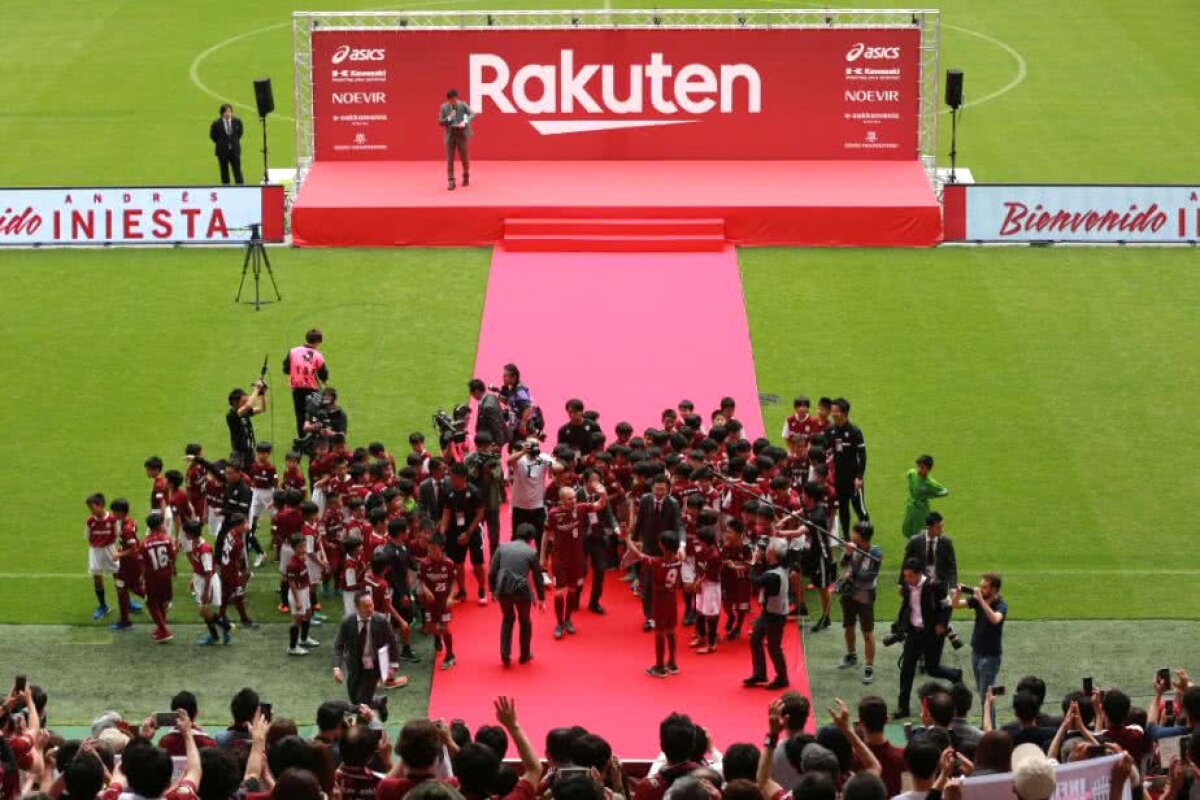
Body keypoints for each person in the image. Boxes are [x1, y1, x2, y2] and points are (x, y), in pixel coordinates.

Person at [894, 558, 961, 719]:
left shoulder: (935, 586)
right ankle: (903, 708)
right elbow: (906, 605)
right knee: (906, 670)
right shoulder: (907, 586)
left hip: (932, 633)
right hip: (914, 633)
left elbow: (947, 605)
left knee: (932, 668)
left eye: (910, 576)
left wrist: (942, 624)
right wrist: (900, 624)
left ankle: (955, 675)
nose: (907, 580)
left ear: (919, 574)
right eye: (905, 576)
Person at [620, 529, 683, 678]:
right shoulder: (679, 560)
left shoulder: (657, 562)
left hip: (660, 602)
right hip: (672, 601)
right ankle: (672, 663)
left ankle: (660, 667)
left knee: (659, 633)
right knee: (671, 631)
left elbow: (637, 554)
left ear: (663, 546)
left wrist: (627, 538)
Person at [901, 512, 962, 652]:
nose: (941, 530)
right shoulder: (915, 541)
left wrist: (952, 586)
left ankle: (944, 631)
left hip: (939, 585)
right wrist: (901, 583)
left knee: (942, 608)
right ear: (929, 527)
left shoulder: (946, 542)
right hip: (920, 586)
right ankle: (947, 633)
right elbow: (906, 562)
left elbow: (951, 564)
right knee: (923, 612)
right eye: (938, 527)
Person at [951, 572, 1007, 723]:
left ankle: (989, 727)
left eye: (984, 587)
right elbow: (955, 605)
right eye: (980, 586)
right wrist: (957, 593)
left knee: (985, 696)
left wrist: (981, 600)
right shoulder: (978, 599)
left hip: (991, 656)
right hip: (977, 652)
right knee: (983, 689)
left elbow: (995, 619)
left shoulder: (1001, 605)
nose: (980, 589)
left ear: (994, 590)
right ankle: (999, 689)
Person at [488, 524, 546, 666]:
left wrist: (493, 590)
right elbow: (538, 577)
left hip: (504, 590)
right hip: (522, 590)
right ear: (531, 539)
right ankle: (524, 654)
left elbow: (491, 572)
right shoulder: (531, 553)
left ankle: (505, 654)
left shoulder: (502, 548)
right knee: (525, 621)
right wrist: (541, 598)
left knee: (507, 619)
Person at [630, 475, 682, 631]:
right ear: (652, 488)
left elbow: (678, 526)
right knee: (647, 585)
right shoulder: (645, 500)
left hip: (666, 550)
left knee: (665, 586)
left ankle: (664, 614)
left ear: (668, 490)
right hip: (648, 547)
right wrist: (633, 541)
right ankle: (649, 617)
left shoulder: (673, 504)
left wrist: (680, 546)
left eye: (663, 489)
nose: (659, 492)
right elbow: (639, 522)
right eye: (657, 488)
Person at [333, 591, 402, 708]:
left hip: (373, 666)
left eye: (371, 605)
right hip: (354, 664)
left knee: (362, 703)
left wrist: (393, 665)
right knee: (354, 699)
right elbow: (339, 645)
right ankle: (377, 702)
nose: (370, 609)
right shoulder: (348, 622)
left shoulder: (381, 621)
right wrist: (337, 667)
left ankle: (364, 723)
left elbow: (392, 642)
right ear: (357, 607)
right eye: (366, 606)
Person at [839, 521, 882, 685]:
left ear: (861, 536)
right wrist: (848, 554)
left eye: (854, 532)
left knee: (867, 632)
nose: (851, 534)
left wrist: (851, 573)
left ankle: (869, 666)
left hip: (865, 596)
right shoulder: (851, 547)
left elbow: (869, 576)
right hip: (849, 594)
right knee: (848, 625)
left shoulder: (876, 553)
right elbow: (842, 564)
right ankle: (851, 654)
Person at [743, 538, 791, 690]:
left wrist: (753, 562)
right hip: (769, 613)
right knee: (755, 638)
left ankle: (783, 678)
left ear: (773, 553)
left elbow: (753, 580)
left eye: (768, 549)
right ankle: (760, 674)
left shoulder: (772, 576)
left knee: (774, 647)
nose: (766, 551)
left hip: (775, 616)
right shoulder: (780, 567)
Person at [439, 462, 487, 604]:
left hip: (472, 531)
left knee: (477, 565)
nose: (452, 480)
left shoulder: (474, 492)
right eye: (451, 477)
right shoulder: (449, 492)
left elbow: (480, 514)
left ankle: (482, 590)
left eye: (454, 478)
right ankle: (461, 591)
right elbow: (446, 514)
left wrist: (468, 533)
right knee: (457, 564)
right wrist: (442, 533)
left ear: (463, 478)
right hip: (454, 532)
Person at [183, 519, 230, 646]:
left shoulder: (204, 550)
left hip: (207, 580)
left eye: (186, 532)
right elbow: (198, 566)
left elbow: (209, 573)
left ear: (192, 534)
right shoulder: (193, 543)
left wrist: (205, 591)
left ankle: (225, 626)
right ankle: (216, 635)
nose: (184, 534)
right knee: (204, 611)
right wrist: (194, 579)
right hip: (200, 578)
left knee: (203, 611)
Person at [507, 439, 559, 553]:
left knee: (540, 537)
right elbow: (508, 461)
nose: (533, 448)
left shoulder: (543, 459)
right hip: (519, 506)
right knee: (517, 537)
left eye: (535, 445)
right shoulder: (519, 459)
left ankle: (540, 564)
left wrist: (551, 462)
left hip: (537, 506)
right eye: (531, 445)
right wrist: (523, 452)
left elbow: (557, 467)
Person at [826, 398, 868, 537]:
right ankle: (846, 537)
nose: (832, 413)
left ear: (843, 413)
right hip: (838, 479)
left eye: (835, 411)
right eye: (832, 410)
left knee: (860, 509)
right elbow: (827, 450)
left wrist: (859, 477)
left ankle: (866, 537)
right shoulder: (830, 430)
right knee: (843, 508)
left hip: (853, 479)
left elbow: (862, 455)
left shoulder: (855, 431)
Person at [418, 534, 458, 670]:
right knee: (431, 628)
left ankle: (450, 655)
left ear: (441, 548)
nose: (431, 553)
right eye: (429, 550)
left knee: (445, 628)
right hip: (430, 602)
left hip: (443, 602)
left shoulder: (449, 563)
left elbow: (453, 582)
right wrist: (426, 590)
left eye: (434, 550)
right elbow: (421, 580)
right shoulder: (424, 563)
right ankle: (437, 638)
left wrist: (451, 597)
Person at [464, 433, 505, 556]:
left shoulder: (495, 458)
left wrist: (489, 470)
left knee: (494, 535)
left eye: (488, 447)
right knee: (475, 533)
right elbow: (469, 477)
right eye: (484, 447)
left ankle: (494, 560)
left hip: (492, 502)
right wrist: (479, 467)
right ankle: (477, 558)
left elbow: (498, 476)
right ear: (477, 446)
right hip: (475, 503)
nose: (487, 449)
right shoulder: (470, 459)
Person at [283, 329, 329, 437]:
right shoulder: (318, 355)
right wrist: (323, 380)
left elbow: (285, 369)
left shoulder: (293, 351)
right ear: (317, 341)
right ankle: (314, 437)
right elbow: (323, 374)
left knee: (300, 415)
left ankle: (302, 438)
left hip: (297, 389)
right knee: (314, 413)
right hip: (311, 389)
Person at [139, 512, 176, 642]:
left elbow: (143, 563)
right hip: (166, 575)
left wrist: (142, 577)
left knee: (151, 603)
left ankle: (164, 630)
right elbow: (172, 557)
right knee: (163, 601)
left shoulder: (144, 543)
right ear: (160, 525)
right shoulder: (167, 539)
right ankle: (161, 628)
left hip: (152, 577)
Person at [85, 492, 118, 621]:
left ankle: (126, 602)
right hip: (95, 551)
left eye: (92, 507)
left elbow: (117, 535)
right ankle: (103, 606)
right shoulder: (89, 521)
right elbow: (88, 537)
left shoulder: (112, 519)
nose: (91, 511)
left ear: (101, 505)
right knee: (97, 579)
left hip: (110, 549)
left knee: (118, 575)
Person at [902, 456, 949, 540]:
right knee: (907, 529)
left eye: (922, 467)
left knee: (920, 532)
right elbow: (909, 478)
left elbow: (945, 491)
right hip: (910, 507)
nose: (919, 469)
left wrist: (930, 495)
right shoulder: (912, 473)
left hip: (921, 510)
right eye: (918, 466)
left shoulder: (930, 483)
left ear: (928, 469)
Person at [227, 382, 267, 470]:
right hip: (240, 455)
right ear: (234, 402)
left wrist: (262, 394)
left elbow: (263, 409)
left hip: (250, 451)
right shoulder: (232, 415)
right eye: (243, 401)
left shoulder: (244, 411)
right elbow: (249, 405)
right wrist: (257, 389)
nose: (245, 403)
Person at [439, 88, 474, 190]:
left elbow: (472, 113)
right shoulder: (444, 107)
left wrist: (465, 121)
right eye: (451, 101)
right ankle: (451, 181)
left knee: (464, 157)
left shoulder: (462, 105)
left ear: (457, 98)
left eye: (455, 100)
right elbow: (440, 121)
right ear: (448, 100)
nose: (453, 102)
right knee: (450, 159)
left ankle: (466, 174)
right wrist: (449, 117)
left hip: (461, 134)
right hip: (450, 135)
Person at [210, 103, 244, 185]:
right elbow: (213, 136)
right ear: (222, 113)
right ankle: (226, 188)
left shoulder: (237, 121)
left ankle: (241, 187)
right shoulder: (216, 123)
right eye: (226, 112)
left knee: (237, 170)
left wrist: (233, 142)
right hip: (222, 152)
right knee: (224, 171)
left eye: (229, 111)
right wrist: (223, 143)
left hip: (234, 151)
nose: (228, 114)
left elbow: (239, 133)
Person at [468, 379, 506, 450]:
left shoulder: (487, 407)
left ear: (476, 391)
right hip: (488, 441)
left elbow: (496, 425)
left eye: (471, 393)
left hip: (490, 444)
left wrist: (498, 445)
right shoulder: (492, 397)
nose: (471, 395)